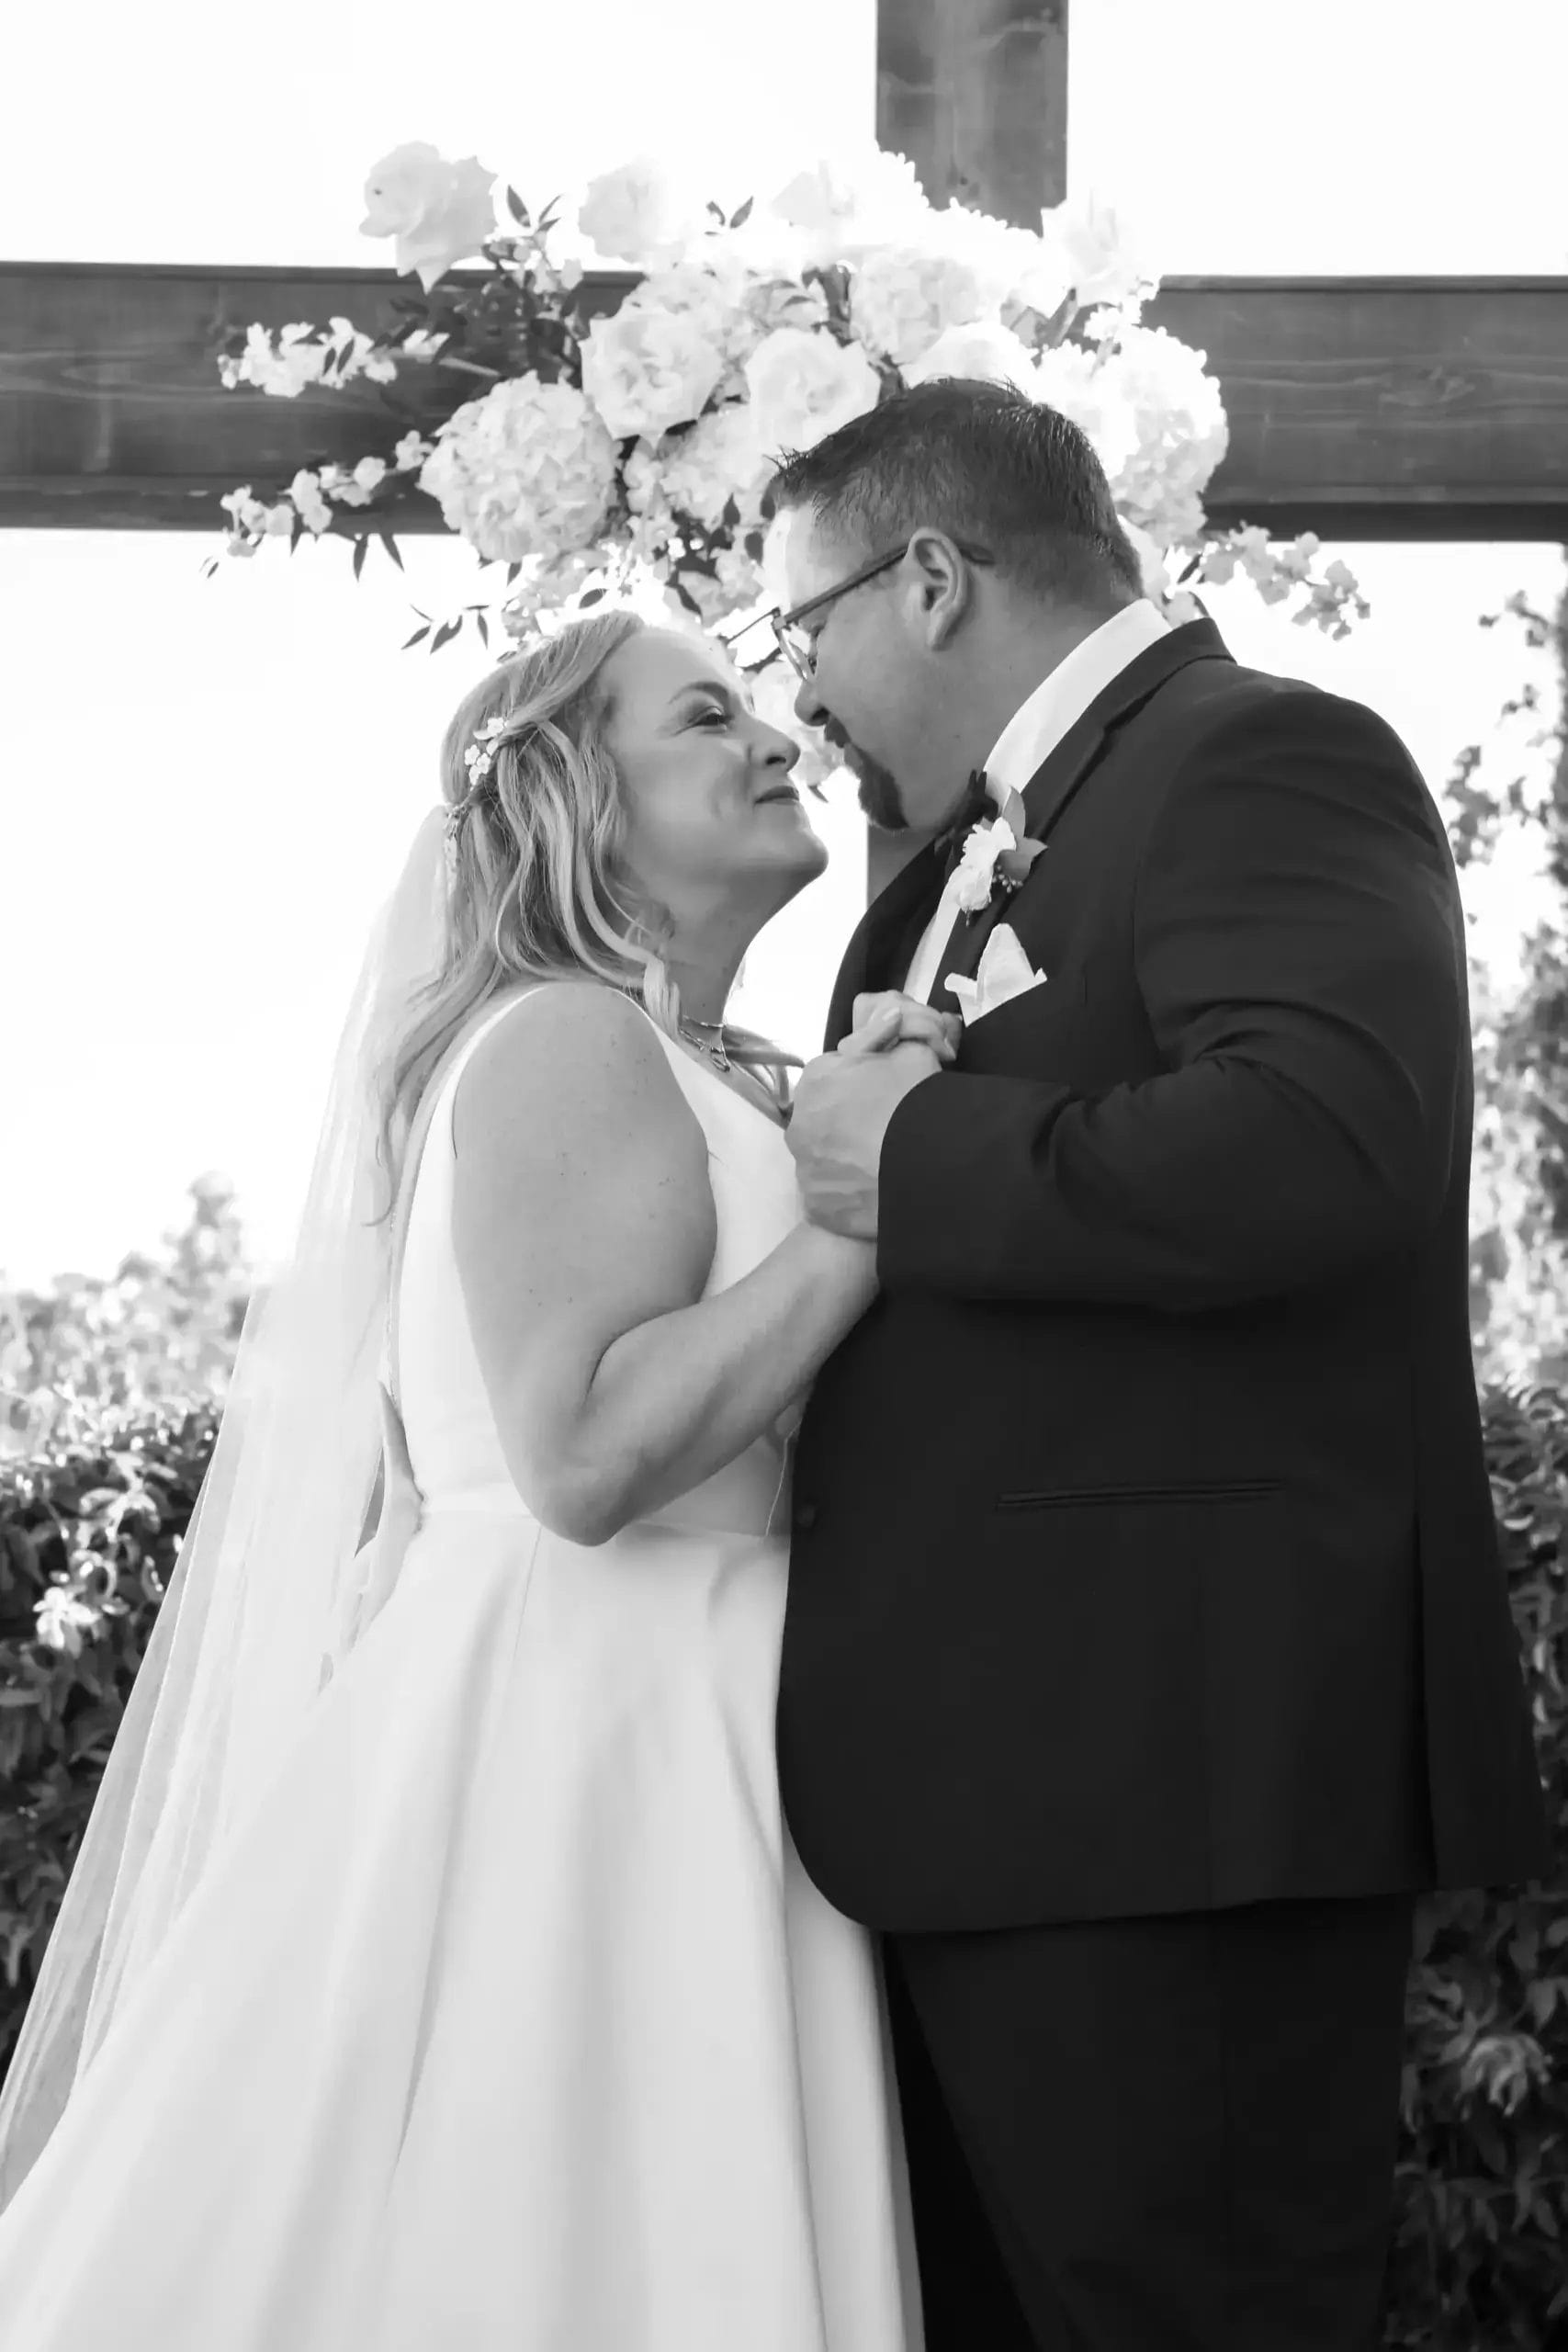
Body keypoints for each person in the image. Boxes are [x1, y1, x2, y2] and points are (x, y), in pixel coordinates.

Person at [0, 613, 933, 2349]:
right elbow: (579, 1455)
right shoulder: (568, 1039)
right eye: (708, 716)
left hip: (699, 1708)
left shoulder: (715, 1072)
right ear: (581, 800)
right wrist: (872, 1217)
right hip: (586, 1732)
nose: (781, 742)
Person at [770, 378, 1551, 2352]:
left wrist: (915, 1150)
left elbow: (1323, 1142)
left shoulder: (1257, 759)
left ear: (929, 576)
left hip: (1168, 1776)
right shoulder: (966, 851)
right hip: (992, 1795)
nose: (800, 695)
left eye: (805, 628)